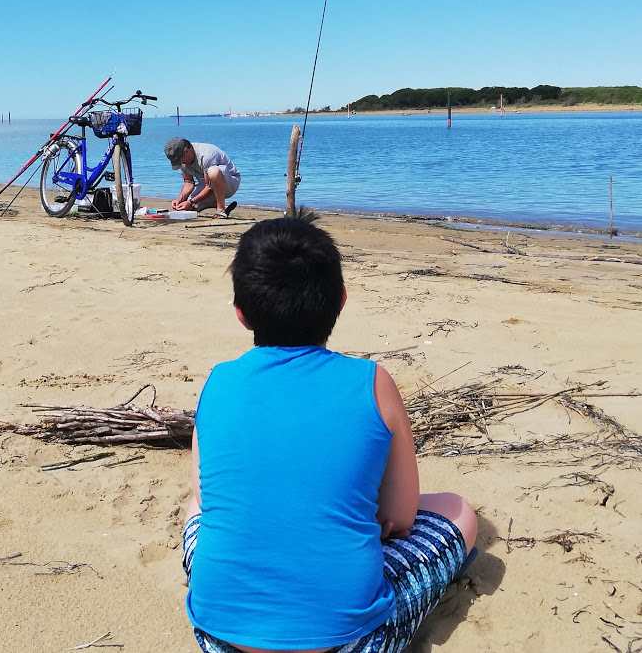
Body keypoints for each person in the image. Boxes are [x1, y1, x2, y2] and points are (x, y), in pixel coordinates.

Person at [182, 212, 478, 653]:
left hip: (219, 636)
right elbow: (400, 517)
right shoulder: (373, 382)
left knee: (196, 506)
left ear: (242, 314)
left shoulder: (217, 381)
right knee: (459, 511)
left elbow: (208, 498)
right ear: (340, 300)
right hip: (353, 641)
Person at [165, 138, 241, 219]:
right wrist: (180, 199)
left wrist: (191, 201)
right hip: (206, 184)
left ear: (186, 151)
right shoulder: (181, 160)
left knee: (213, 171)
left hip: (229, 183)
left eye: (180, 160)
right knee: (188, 209)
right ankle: (214, 203)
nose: (181, 163)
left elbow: (209, 187)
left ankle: (221, 210)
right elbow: (188, 182)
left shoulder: (206, 155)